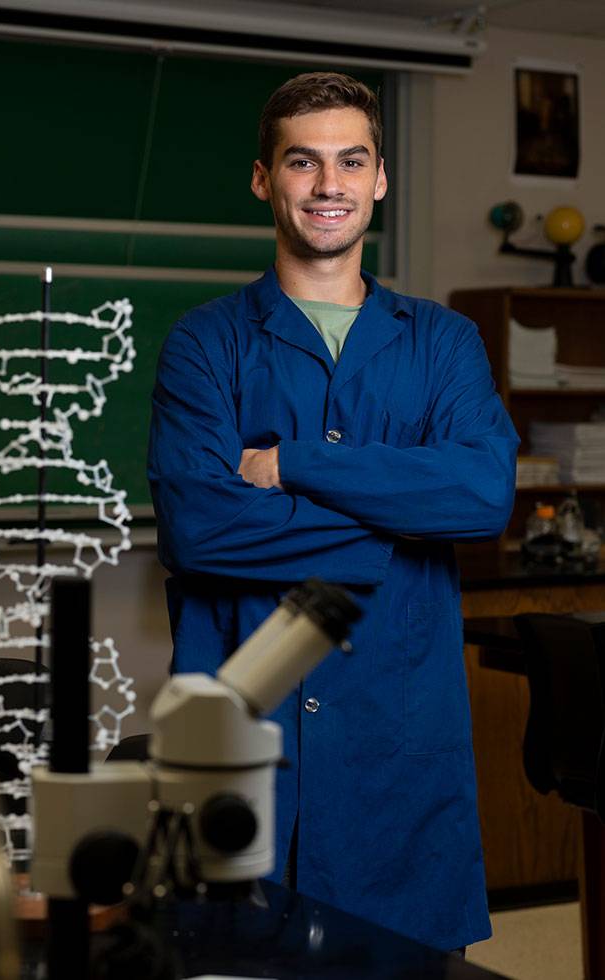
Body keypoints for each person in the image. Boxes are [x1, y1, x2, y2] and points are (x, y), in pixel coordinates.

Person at [147, 72, 518, 953]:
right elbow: (201, 528)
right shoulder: (205, 343)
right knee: (227, 958)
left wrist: (296, 464)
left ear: (380, 177)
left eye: (351, 161)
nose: (328, 186)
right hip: (242, 733)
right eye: (303, 162)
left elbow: (481, 494)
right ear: (263, 179)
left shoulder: (442, 343)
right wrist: (394, 524)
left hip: (398, 742)